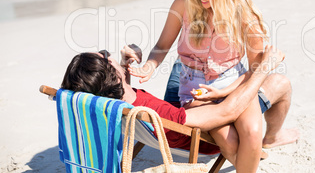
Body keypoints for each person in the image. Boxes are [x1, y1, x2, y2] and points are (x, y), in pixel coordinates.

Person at [124, 0, 299, 171]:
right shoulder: (184, 3)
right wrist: (149, 66)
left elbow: (254, 70)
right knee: (230, 141)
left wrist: (223, 92)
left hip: (236, 84)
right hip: (196, 90)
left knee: (253, 133)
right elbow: (162, 45)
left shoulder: (246, 16)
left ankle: (266, 143)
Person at [61, 46, 284, 172]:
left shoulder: (115, 104)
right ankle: (271, 138)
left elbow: (119, 90)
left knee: (190, 55)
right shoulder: (156, 113)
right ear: (114, 75)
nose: (107, 54)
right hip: (198, 131)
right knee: (280, 84)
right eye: (106, 56)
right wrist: (262, 68)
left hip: (171, 115)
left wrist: (123, 63)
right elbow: (226, 112)